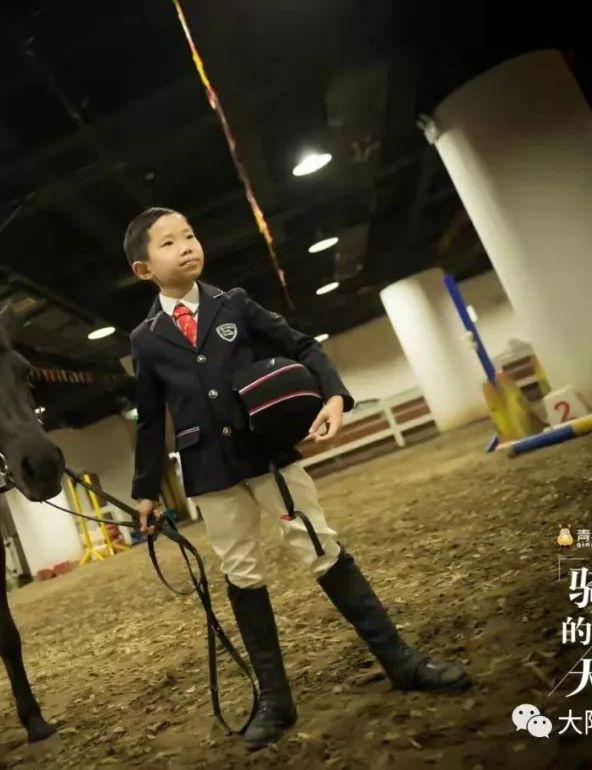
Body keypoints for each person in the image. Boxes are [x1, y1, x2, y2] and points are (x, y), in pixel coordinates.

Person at [125, 207, 471, 750]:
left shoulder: (233, 303)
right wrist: (145, 490)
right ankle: (276, 700)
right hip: (210, 473)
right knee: (241, 572)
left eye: (191, 235)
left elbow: (302, 345)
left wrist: (334, 394)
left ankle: (401, 661)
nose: (188, 246)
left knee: (321, 548)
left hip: (269, 457)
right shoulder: (144, 339)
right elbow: (149, 417)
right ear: (145, 269)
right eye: (170, 243)